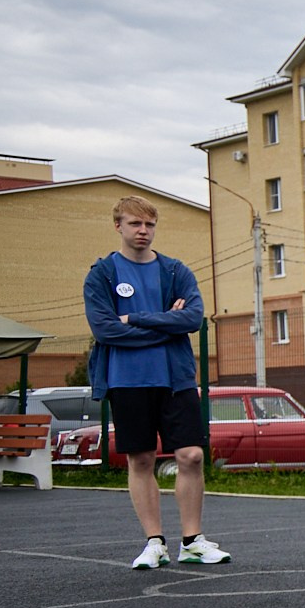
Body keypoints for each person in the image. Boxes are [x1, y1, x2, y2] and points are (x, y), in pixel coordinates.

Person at [82, 196, 229, 569]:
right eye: (134, 224)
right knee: (142, 458)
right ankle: (154, 543)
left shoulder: (175, 271)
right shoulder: (102, 274)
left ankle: (193, 541)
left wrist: (133, 319)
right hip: (126, 380)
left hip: (175, 378)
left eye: (149, 225)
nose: (142, 231)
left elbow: (192, 319)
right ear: (118, 226)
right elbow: (105, 330)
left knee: (191, 456)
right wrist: (163, 323)